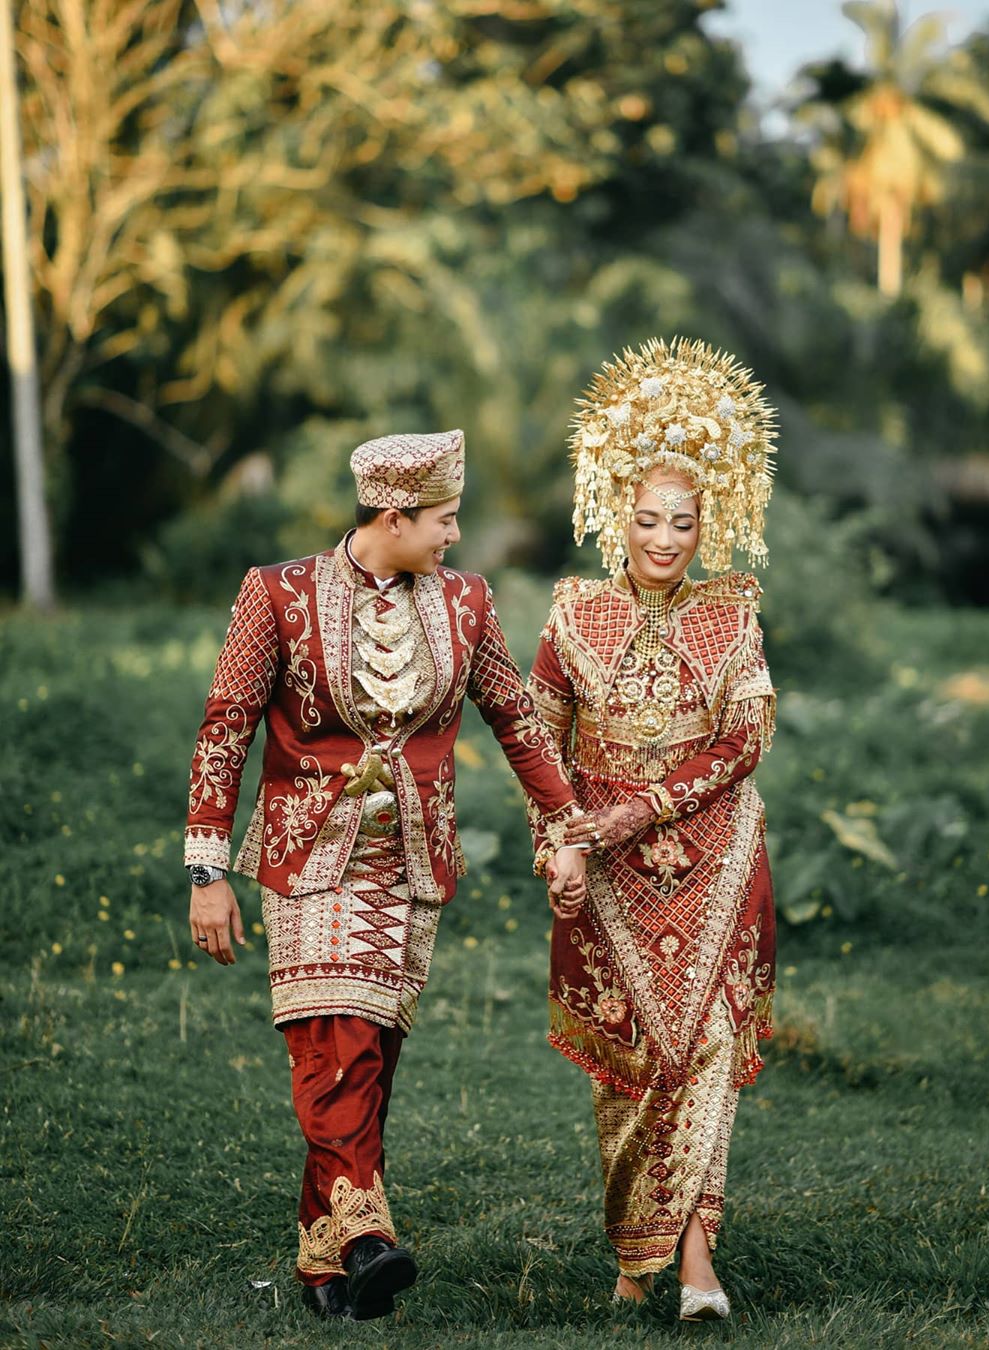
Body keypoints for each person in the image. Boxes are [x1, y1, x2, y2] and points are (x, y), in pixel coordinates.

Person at [183, 429, 591, 1321]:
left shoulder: (467, 603)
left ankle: (326, 1269)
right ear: (394, 515)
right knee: (337, 1043)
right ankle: (368, 1235)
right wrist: (207, 868)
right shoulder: (277, 594)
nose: (454, 536)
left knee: (368, 1057)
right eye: (444, 520)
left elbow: (519, 723)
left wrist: (566, 830)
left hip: (409, 865)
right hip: (306, 860)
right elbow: (226, 729)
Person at [527, 337, 778, 1323]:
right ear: (614, 517)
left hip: (716, 862)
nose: (664, 538)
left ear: (708, 522)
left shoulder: (733, 614)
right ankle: (638, 1260)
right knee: (633, 1069)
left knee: (704, 1053)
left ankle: (697, 1268)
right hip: (605, 873)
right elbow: (538, 737)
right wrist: (559, 842)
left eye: (682, 521)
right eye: (646, 518)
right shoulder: (574, 613)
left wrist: (647, 806)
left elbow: (749, 736)